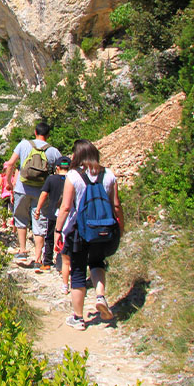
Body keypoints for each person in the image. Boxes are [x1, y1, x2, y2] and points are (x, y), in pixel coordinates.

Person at [54, 139, 124, 331]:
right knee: (97, 262)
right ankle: (100, 295)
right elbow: (116, 205)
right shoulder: (108, 174)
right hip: (103, 229)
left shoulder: (74, 176)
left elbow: (66, 207)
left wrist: (58, 231)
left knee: (77, 271)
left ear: (77, 156)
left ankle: (78, 317)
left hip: (79, 231)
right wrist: (121, 227)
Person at [1, 122, 62, 267]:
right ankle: (38, 258)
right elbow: (60, 172)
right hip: (42, 192)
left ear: (35, 132)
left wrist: (9, 182)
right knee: (39, 223)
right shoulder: (53, 151)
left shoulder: (23, 144)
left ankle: (22, 251)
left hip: (22, 189)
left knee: (20, 219)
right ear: (48, 135)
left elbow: (10, 164)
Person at [33, 155, 71, 282]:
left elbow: (44, 194)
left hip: (53, 213)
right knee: (65, 238)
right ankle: (63, 264)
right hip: (69, 214)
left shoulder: (51, 179)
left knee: (50, 237)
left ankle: (47, 262)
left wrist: (38, 209)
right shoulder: (73, 179)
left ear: (57, 167)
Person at [0, 162, 15, 230]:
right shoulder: (13, 176)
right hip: (11, 194)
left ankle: (4, 223)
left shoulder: (2, 176)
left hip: (4, 195)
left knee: (4, 209)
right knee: (12, 209)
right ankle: (13, 221)